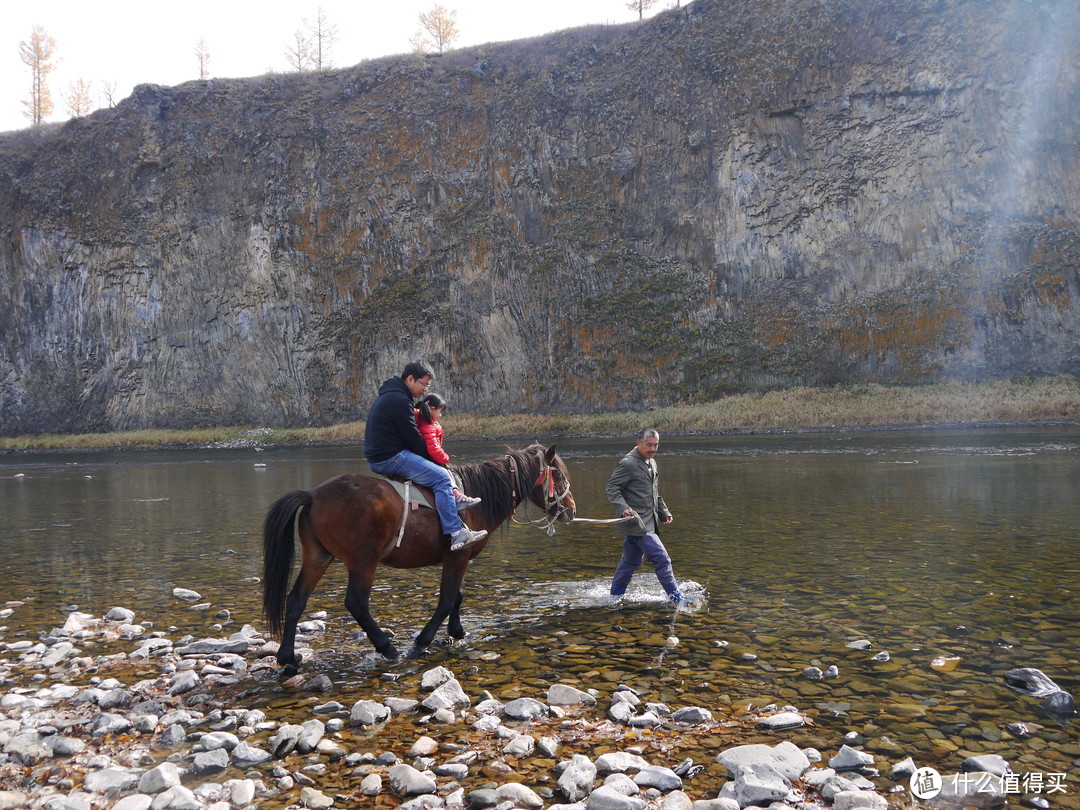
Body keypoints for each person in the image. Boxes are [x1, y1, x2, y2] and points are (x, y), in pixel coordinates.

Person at [364, 361, 486, 551]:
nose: (425, 389)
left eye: (428, 386)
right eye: (423, 384)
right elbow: (413, 439)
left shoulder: (392, 396)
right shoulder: (400, 401)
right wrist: (436, 462)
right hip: (391, 457)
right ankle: (456, 533)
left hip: (382, 455)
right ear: (410, 379)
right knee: (441, 477)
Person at [605, 427, 683, 604]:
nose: (653, 449)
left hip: (649, 521)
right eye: (649, 445)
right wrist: (623, 508)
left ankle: (614, 597)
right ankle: (677, 599)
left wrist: (663, 511)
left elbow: (653, 492)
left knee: (629, 563)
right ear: (638, 443)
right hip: (638, 524)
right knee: (662, 559)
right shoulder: (628, 463)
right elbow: (612, 488)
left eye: (656, 445)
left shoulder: (651, 462)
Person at [415, 392, 479, 509]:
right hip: (431, 460)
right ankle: (456, 495)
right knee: (445, 474)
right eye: (440, 412)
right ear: (432, 409)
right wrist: (444, 458)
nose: (440, 415)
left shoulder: (429, 424)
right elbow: (433, 448)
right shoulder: (428, 426)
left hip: (429, 458)